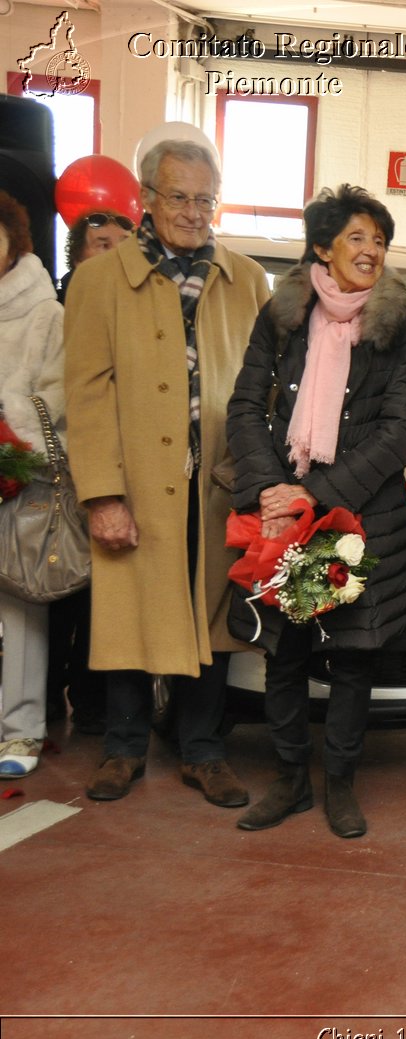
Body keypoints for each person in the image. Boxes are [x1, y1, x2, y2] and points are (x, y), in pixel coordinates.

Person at [65, 137, 270, 806]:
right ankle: (123, 748)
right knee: (129, 612)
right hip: (135, 481)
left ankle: (203, 750)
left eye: (204, 198)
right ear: (147, 200)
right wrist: (102, 494)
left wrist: (258, 476)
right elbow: (86, 393)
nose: (192, 211)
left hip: (216, 481)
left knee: (211, 616)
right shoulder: (99, 281)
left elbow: (263, 389)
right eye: (178, 197)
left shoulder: (246, 279)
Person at [225, 184, 406, 839]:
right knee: (284, 653)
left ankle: (339, 783)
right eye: (358, 237)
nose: (372, 251)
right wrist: (269, 491)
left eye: (380, 240)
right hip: (282, 516)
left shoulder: (399, 327)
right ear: (322, 246)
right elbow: (246, 407)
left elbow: (399, 432)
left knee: (352, 658)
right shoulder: (282, 317)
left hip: (357, 519)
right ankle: (290, 781)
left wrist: (319, 493)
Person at [49, 210, 131, 736]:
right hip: (59, 475)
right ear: (77, 255)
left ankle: (93, 701)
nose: (114, 252)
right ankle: (45, 700)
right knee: (59, 594)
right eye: (102, 244)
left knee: (105, 600)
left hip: (120, 474)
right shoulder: (54, 313)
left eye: (123, 243)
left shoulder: (137, 308)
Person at [0, 190, 64, 778]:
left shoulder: (45, 312)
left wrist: (10, 428)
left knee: (21, 605)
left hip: (19, 478)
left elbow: (60, 394)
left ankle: (20, 733)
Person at [56, 210, 133, 304]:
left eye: (125, 245)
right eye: (104, 245)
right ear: (79, 260)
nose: (118, 253)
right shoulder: (59, 313)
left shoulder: (150, 302)